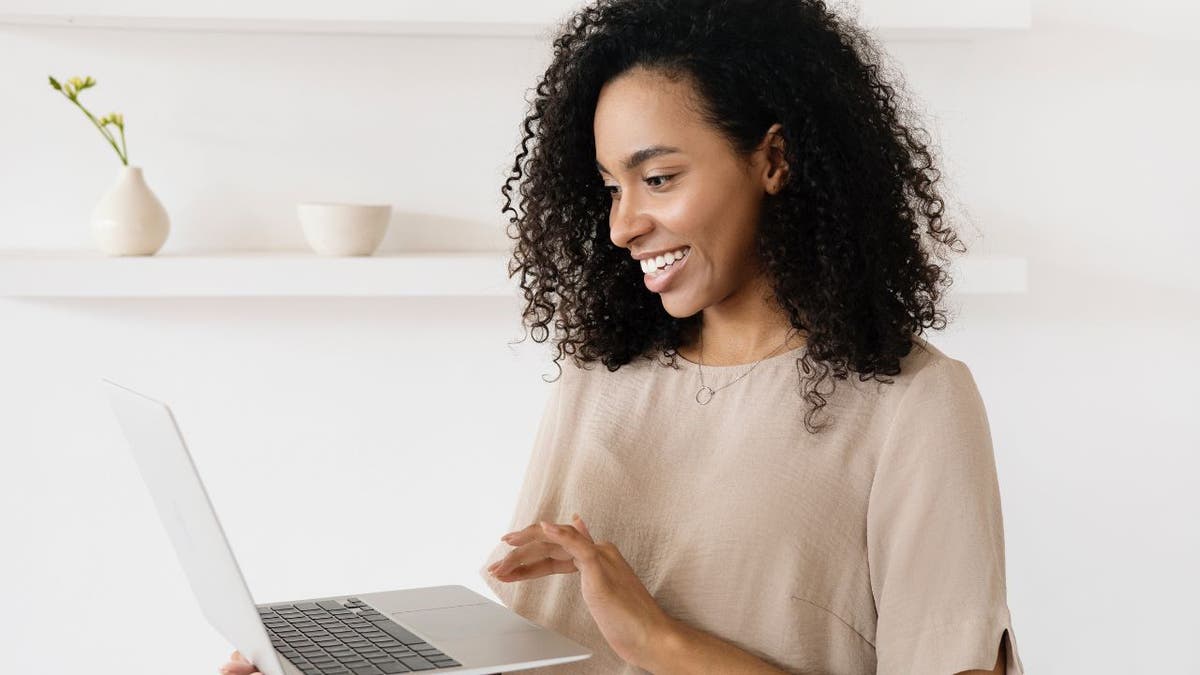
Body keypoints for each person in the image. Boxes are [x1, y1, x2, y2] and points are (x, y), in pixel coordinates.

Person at [219, 0, 1025, 673]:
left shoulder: (912, 404)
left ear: (773, 160)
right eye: (611, 187)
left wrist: (658, 639)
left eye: (660, 178)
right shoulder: (601, 382)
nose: (625, 223)